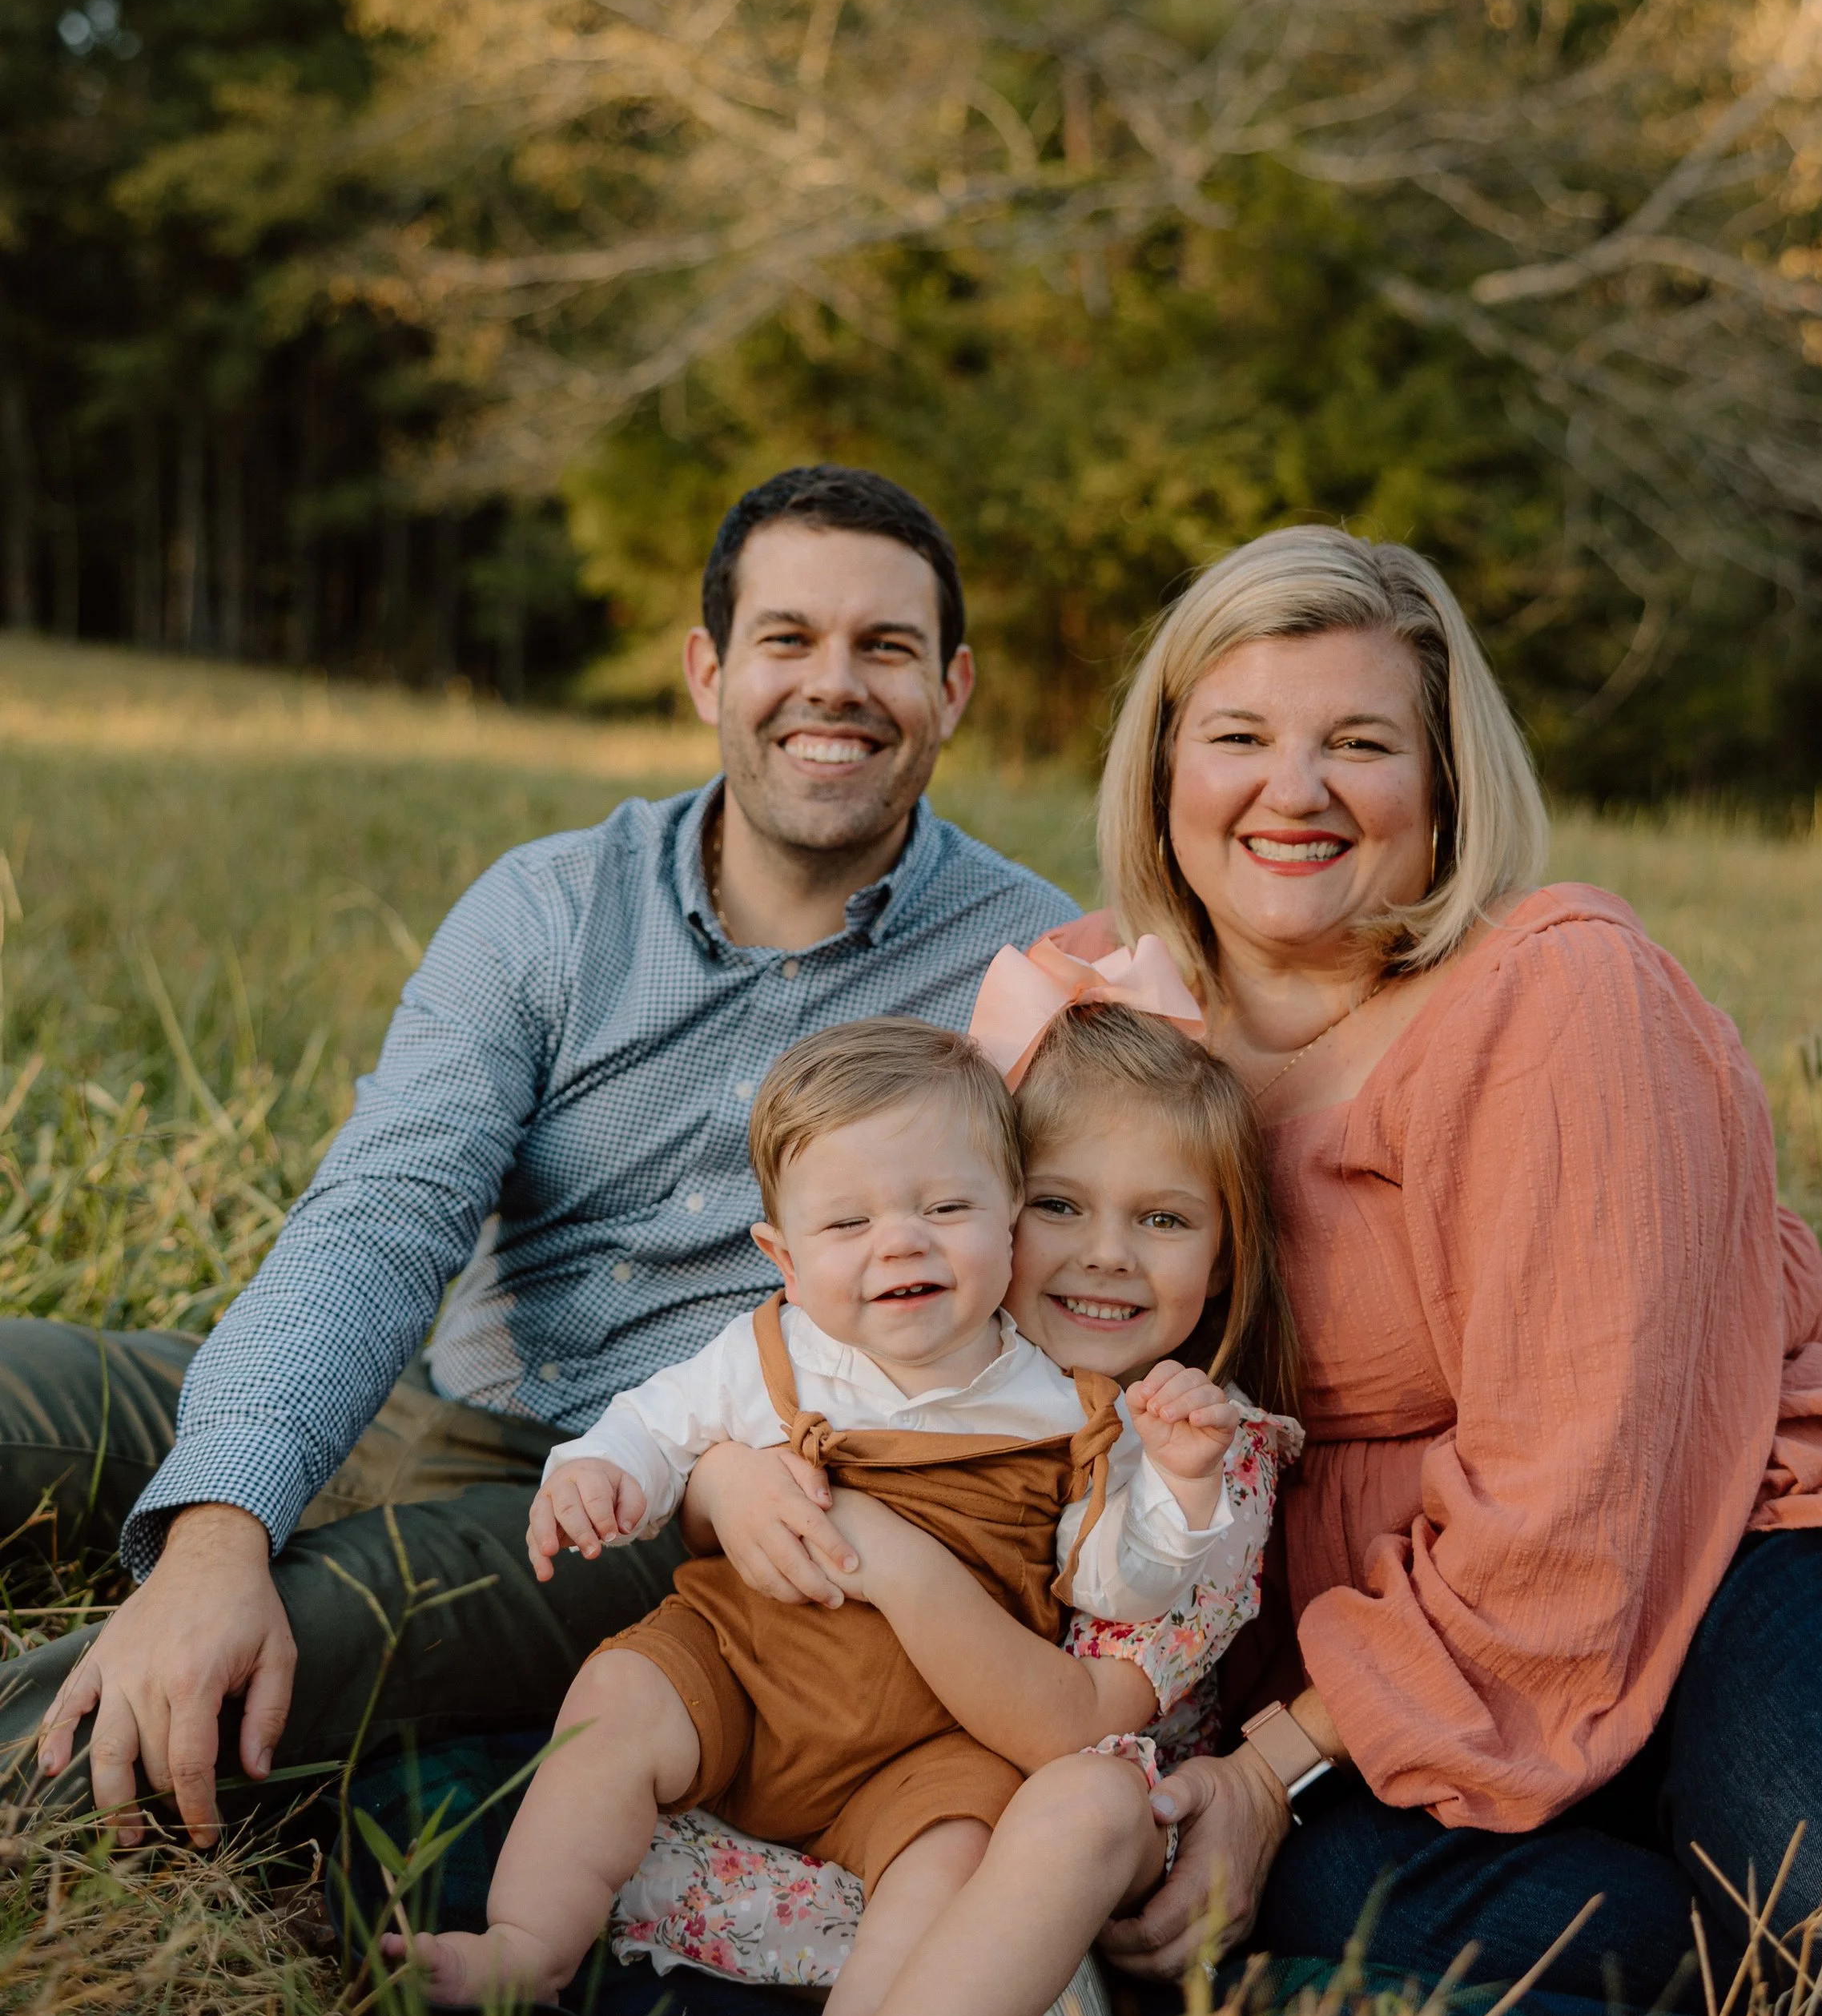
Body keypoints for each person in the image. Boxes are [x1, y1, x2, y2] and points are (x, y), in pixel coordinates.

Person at [0, 466, 1078, 1849]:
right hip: (423, 1397)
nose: (836, 685)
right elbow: (383, 1213)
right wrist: (217, 1530)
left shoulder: (1022, 970)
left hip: (642, 1509)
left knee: (278, 1641)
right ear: (708, 671)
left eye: (887, 648)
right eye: (789, 640)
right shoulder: (553, 904)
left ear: (955, 687)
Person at [1040, 524, 1822, 2007]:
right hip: (1381, 1654)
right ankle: (1727, 1928)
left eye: (1359, 741)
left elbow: (1583, 1501)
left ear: (1442, 787)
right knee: (1327, 1895)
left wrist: (1268, 1768)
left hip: (1703, 1545)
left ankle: (1805, 1900)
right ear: (1167, 769)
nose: (1292, 790)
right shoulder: (1097, 1015)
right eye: (1239, 734)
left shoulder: (1555, 998)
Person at [401, 1013, 1243, 2016]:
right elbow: (652, 1421)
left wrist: (1177, 1491)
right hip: (745, 1670)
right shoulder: (772, 1353)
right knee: (618, 1692)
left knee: (949, 1855)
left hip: (929, 1747)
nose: (899, 1243)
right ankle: (530, 1937)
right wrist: (594, 1477)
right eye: (848, 1226)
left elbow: (1123, 1587)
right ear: (782, 1258)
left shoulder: (1071, 1411)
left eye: (944, 1207)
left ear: (1003, 1223)